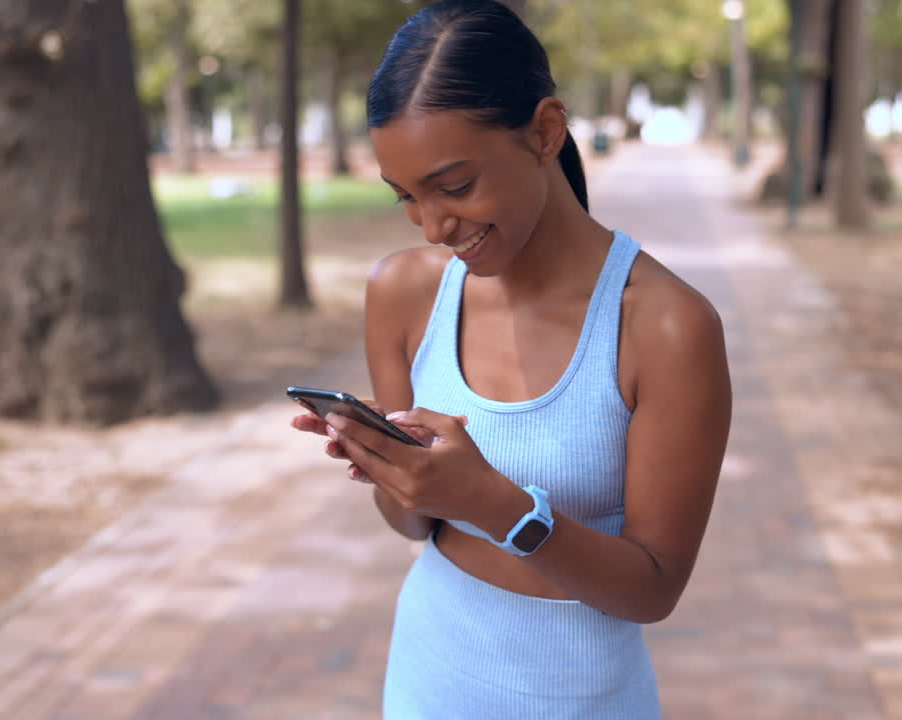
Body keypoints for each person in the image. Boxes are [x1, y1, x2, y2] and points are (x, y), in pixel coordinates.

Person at [289, 0, 732, 716]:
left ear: (545, 131)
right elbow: (411, 526)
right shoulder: (403, 293)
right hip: (430, 677)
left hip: (583, 697)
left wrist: (497, 506)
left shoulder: (667, 327)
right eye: (406, 196)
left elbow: (654, 589)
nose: (434, 226)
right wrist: (390, 466)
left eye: (455, 186)